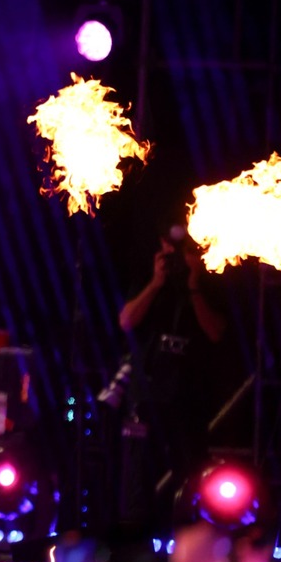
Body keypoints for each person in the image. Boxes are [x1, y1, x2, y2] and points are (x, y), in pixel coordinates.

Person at [113, 222, 227, 540]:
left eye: (184, 250)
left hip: (189, 396)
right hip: (146, 394)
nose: (175, 256)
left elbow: (216, 332)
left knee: (190, 473)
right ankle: (136, 543)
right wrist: (156, 283)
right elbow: (126, 321)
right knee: (138, 475)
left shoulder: (209, 283)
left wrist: (194, 286)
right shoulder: (151, 278)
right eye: (169, 247)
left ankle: (187, 540)